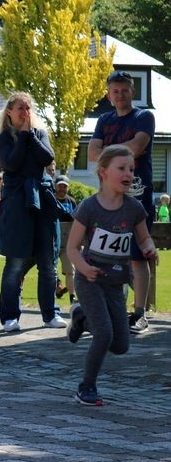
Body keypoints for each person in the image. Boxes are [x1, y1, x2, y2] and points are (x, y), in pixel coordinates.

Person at [65, 145, 157, 406]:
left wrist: (149, 247)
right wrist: (84, 268)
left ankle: (81, 319)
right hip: (90, 280)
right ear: (103, 172)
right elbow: (72, 248)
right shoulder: (89, 207)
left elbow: (144, 237)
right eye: (121, 168)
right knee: (104, 334)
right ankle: (86, 386)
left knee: (120, 346)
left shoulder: (134, 208)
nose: (128, 174)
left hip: (116, 284)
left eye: (131, 169)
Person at [87, 70, 156, 335]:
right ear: (108, 94)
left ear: (132, 91)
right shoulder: (103, 120)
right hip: (107, 198)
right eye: (114, 91)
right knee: (105, 254)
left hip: (137, 196)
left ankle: (139, 314)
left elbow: (138, 146)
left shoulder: (144, 116)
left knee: (138, 256)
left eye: (124, 90)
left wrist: (110, 153)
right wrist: (119, 152)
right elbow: (92, 153)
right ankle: (110, 311)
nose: (120, 95)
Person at [0, 92, 65, 333]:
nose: (25, 112)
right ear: (9, 112)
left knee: (48, 261)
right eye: (20, 108)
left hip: (42, 200)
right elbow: (11, 163)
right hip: (17, 202)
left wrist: (31, 136)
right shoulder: (2, 139)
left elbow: (47, 157)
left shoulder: (40, 134)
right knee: (15, 262)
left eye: (28, 108)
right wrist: (22, 137)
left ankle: (50, 313)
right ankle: (10, 316)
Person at [54, 175, 78, 302]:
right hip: (52, 241)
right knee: (50, 269)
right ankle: (55, 289)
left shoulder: (71, 201)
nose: (62, 188)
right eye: (60, 186)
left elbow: (77, 221)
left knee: (70, 270)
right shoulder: (50, 199)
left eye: (65, 186)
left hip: (67, 242)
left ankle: (72, 297)